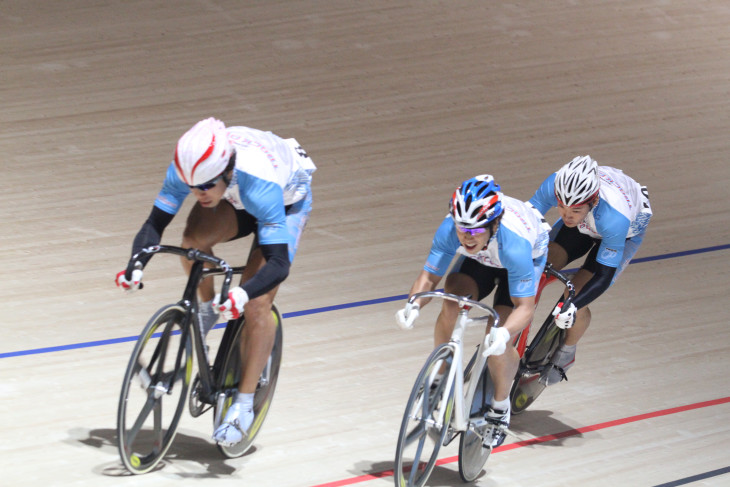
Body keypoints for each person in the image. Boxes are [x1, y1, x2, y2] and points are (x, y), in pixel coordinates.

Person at [115, 117, 316, 447]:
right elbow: (154, 225)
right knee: (193, 241)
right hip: (236, 197)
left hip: (284, 203)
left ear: (225, 170)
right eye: (192, 187)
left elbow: (279, 264)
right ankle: (206, 311)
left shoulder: (257, 183)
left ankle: (244, 405)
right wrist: (135, 265)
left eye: (205, 186)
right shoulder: (192, 170)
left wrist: (242, 291)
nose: (197, 193)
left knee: (256, 304)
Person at [396, 175, 550, 447]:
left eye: (475, 230)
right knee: (451, 300)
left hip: (522, 261)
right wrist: (413, 305)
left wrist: (504, 334)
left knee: (499, 340)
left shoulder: (515, 246)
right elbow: (429, 278)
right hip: (482, 259)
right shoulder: (450, 230)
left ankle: (500, 408)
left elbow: (524, 308)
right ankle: (440, 375)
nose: (467, 237)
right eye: (462, 229)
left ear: (494, 224)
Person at [529, 155, 651, 385]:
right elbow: (525, 220)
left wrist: (572, 306)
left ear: (592, 201)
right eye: (561, 206)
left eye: (574, 209)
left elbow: (603, 276)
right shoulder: (556, 185)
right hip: (586, 224)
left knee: (574, 294)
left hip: (624, 233)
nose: (566, 214)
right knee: (539, 267)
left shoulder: (614, 218)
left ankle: (566, 352)